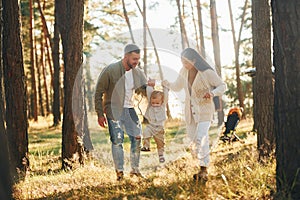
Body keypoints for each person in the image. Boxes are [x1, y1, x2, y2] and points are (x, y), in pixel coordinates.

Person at [162, 47, 226, 181]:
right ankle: (201, 166)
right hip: (190, 112)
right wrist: (167, 84)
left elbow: (222, 86)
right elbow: (177, 86)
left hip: (204, 110)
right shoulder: (183, 71)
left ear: (194, 60)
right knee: (193, 140)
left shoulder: (206, 73)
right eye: (182, 62)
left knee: (202, 137)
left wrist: (212, 93)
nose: (184, 65)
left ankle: (204, 170)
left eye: (186, 62)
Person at [94, 44, 155, 181]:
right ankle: (120, 173)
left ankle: (135, 169)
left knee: (137, 137)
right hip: (113, 109)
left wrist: (150, 87)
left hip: (129, 108)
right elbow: (98, 92)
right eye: (134, 59)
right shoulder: (110, 70)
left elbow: (143, 91)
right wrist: (99, 114)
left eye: (138, 59)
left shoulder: (138, 72)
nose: (136, 62)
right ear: (126, 56)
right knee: (117, 140)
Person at [141, 85, 169, 163]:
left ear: (162, 102)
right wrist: (150, 86)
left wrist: (165, 87)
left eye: (157, 103)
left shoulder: (163, 106)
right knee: (146, 132)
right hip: (151, 126)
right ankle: (146, 146)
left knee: (160, 143)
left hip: (159, 128)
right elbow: (150, 94)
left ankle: (161, 155)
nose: (155, 104)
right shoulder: (150, 105)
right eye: (153, 103)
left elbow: (165, 96)